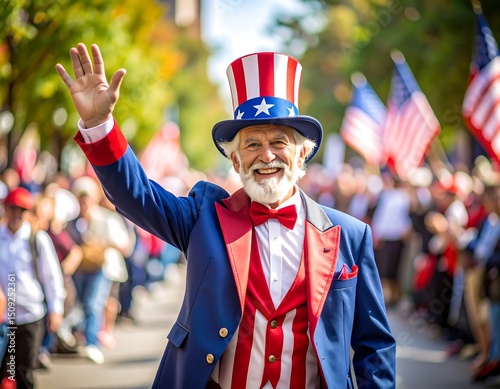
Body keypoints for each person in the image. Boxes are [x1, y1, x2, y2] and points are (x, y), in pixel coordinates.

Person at [56, 43, 396, 388]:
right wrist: (99, 124)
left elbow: (375, 346)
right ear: (235, 161)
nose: (267, 156)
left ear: (302, 155)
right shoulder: (205, 218)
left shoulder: (350, 234)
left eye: (280, 142)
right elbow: (137, 195)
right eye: (252, 144)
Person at [0, 187, 65, 389]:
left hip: (30, 316)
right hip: (3, 318)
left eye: (22, 210)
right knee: (4, 373)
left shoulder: (37, 239)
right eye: (12, 208)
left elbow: (52, 276)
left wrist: (56, 309)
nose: (16, 214)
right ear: (5, 209)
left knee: (24, 373)